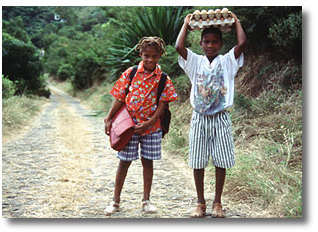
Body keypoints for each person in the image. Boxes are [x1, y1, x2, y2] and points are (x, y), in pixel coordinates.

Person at [175, 12, 246, 218]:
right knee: (198, 160)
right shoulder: (195, 62)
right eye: (206, 41)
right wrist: (186, 24)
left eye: (215, 42)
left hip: (221, 117)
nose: (210, 45)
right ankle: (200, 202)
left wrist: (237, 21)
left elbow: (242, 43)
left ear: (221, 44)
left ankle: (217, 202)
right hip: (199, 117)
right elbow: (179, 47)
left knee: (221, 160)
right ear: (201, 43)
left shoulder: (227, 62)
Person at [104, 36, 178, 215]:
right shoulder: (130, 73)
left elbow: (162, 105)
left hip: (151, 128)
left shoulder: (163, 79)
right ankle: (115, 201)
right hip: (128, 127)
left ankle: (146, 200)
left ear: (160, 55)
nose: (150, 60)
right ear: (141, 53)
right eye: (146, 55)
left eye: (154, 56)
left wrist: (149, 123)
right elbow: (120, 98)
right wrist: (109, 118)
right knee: (124, 162)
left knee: (148, 162)